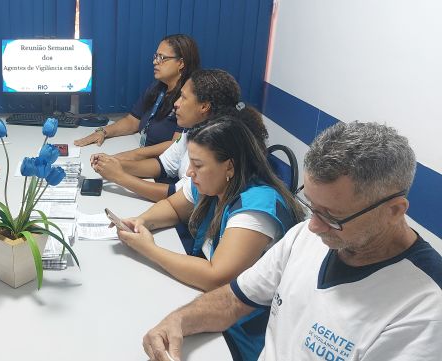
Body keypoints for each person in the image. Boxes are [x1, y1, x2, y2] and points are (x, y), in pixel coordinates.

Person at [142, 122, 442, 361]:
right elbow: (233, 300)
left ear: (393, 211)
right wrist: (179, 321)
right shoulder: (306, 237)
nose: (312, 225)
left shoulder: (426, 309)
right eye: (312, 205)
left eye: (333, 216)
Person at [117, 118, 304, 360]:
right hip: (212, 308)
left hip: (242, 334)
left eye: (197, 165)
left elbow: (217, 278)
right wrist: (142, 221)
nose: (189, 172)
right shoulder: (211, 182)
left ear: (229, 167)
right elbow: (173, 208)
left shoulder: (257, 206)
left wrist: (148, 249)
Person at [92, 69, 268, 202]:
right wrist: (114, 164)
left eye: (183, 98)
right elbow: (161, 165)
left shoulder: (217, 146)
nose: (176, 104)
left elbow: (177, 196)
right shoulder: (193, 131)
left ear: (204, 106)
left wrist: (119, 177)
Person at [74, 34, 200, 155]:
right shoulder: (157, 88)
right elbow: (133, 121)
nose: (155, 62)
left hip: (162, 164)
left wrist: (130, 156)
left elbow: (175, 147)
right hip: (142, 154)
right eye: (155, 56)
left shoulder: (189, 98)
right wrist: (103, 131)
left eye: (162, 58)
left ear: (181, 63)